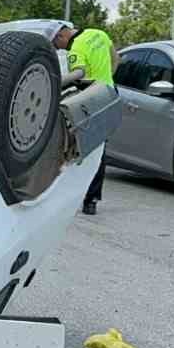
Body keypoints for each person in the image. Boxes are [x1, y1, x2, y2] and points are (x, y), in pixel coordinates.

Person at [53, 23, 117, 214]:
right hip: (108, 93)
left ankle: (74, 196)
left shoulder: (75, 49)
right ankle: (92, 199)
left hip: (89, 101)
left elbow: (76, 76)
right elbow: (116, 59)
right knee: (100, 150)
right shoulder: (99, 33)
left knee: (80, 149)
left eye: (58, 45)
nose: (61, 49)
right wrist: (106, 80)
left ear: (61, 36)